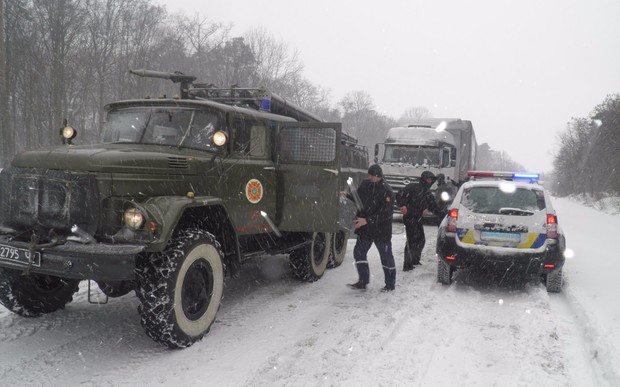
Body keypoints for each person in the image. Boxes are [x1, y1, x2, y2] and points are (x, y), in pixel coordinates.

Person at [341, 164, 396, 292]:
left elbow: (385, 214)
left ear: (378, 176)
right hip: (365, 229)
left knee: (386, 256)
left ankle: (390, 284)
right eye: (369, 175)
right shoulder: (366, 184)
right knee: (359, 252)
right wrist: (347, 195)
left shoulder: (387, 191)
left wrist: (366, 220)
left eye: (372, 175)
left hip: (381, 230)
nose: (369, 177)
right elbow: (358, 197)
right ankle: (362, 281)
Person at [396, 170, 446, 271]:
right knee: (411, 240)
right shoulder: (412, 187)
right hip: (409, 217)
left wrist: (444, 215)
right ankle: (407, 264)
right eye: (428, 179)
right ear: (423, 179)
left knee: (420, 239)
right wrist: (402, 205)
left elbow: (434, 207)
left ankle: (415, 260)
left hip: (418, 218)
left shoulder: (427, 193)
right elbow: (399, 195)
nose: (430, 181)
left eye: (431, 179)